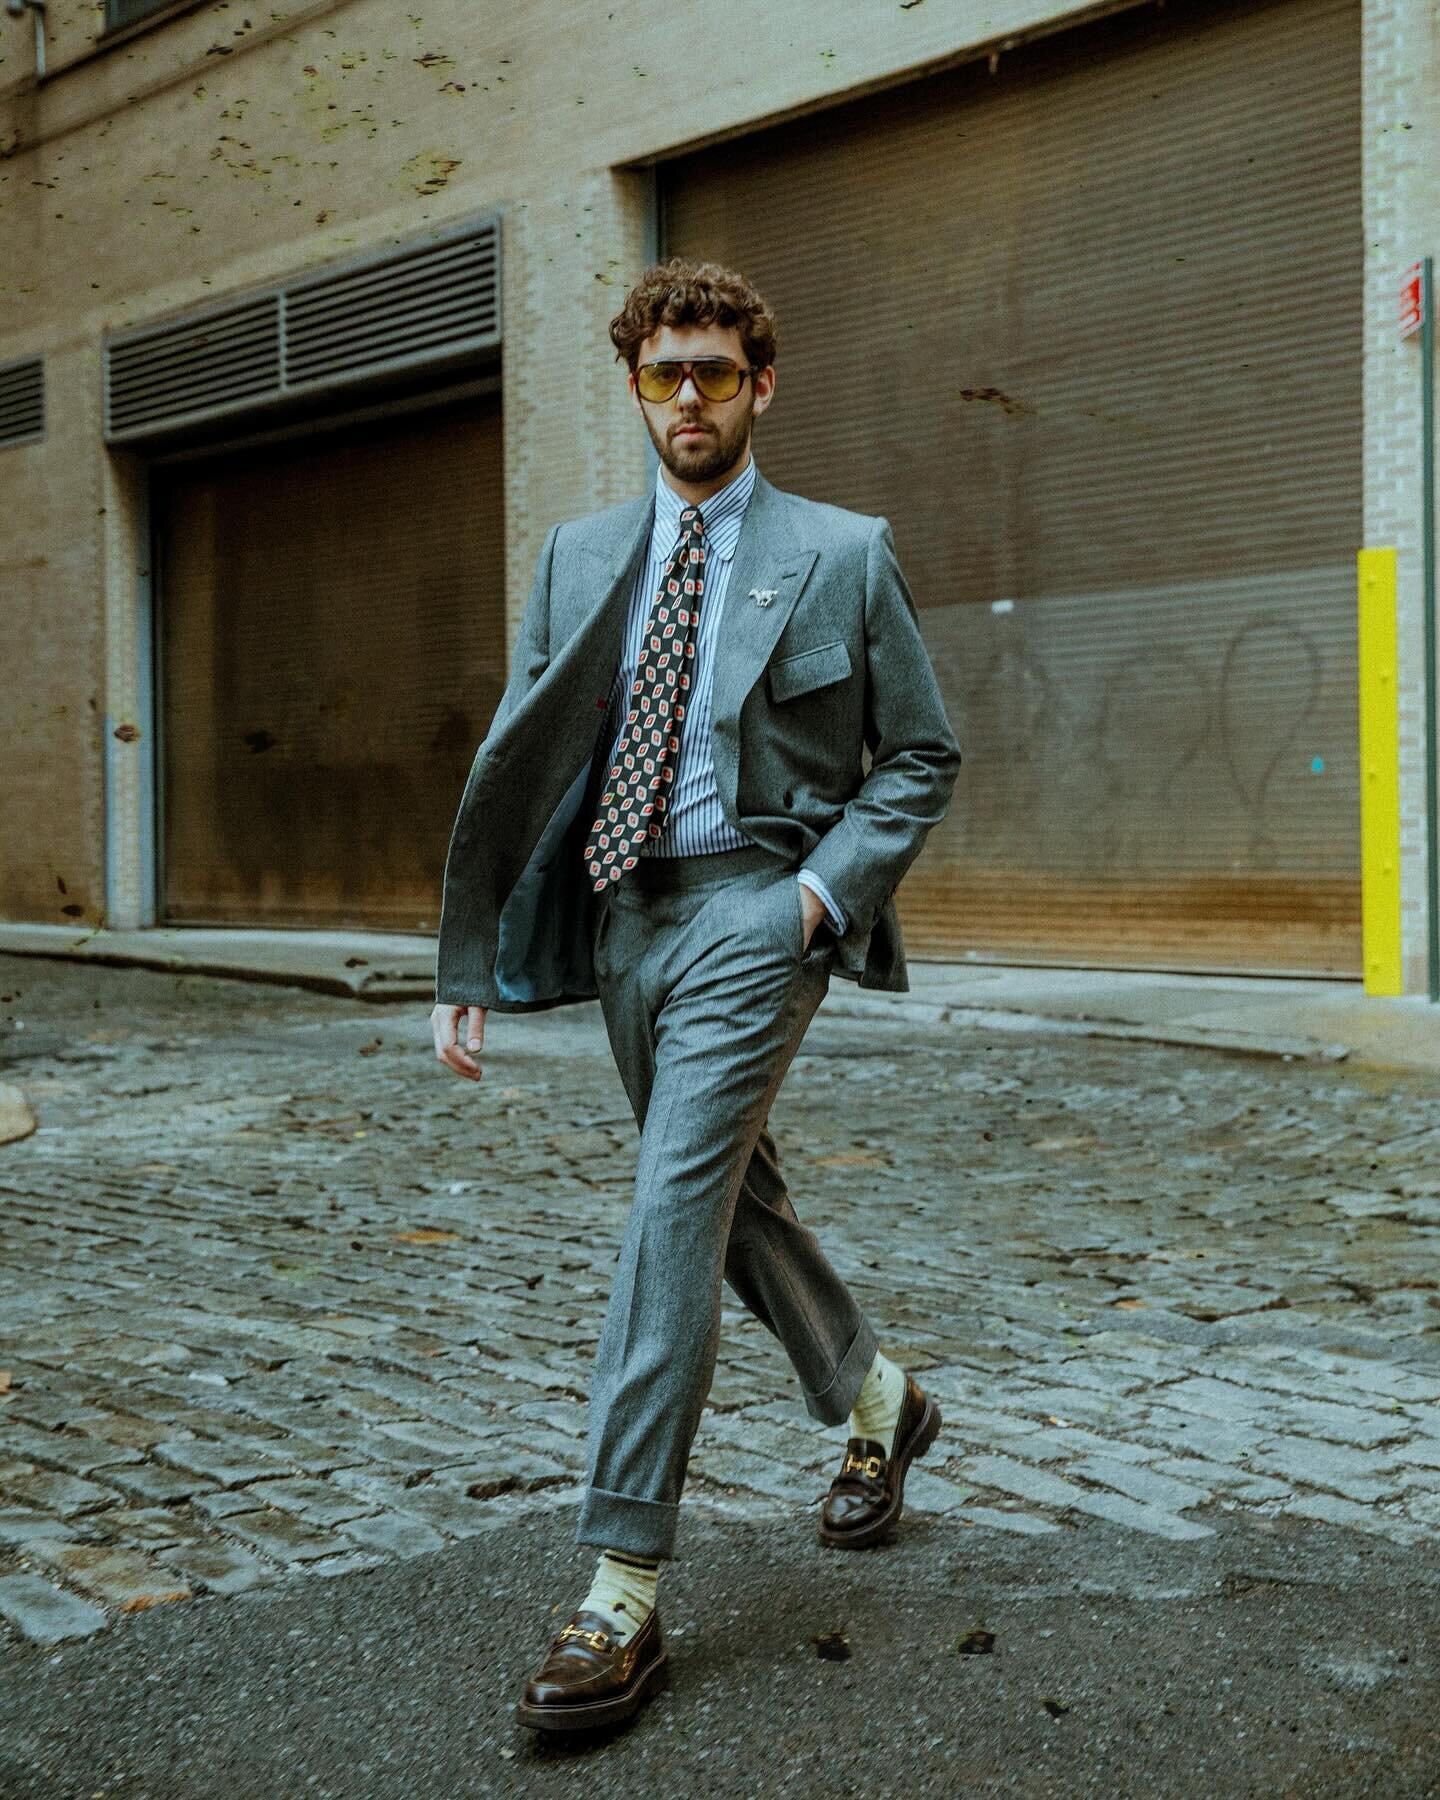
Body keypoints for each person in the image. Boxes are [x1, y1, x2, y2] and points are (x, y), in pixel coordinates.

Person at [430, 256, 962, 1734]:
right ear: (634, 387)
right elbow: (520, 766)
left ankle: (617, 1586)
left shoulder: (841, 553)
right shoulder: (579, 553)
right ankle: (878, 1403)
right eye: (664, 374)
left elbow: (920, 751)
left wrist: (813, 897)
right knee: (732, 1199)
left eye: (715, 373)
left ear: (760, 384)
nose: (688, 398)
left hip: (755, 908)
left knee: (671, 1209)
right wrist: (469, 957)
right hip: (626, 922)